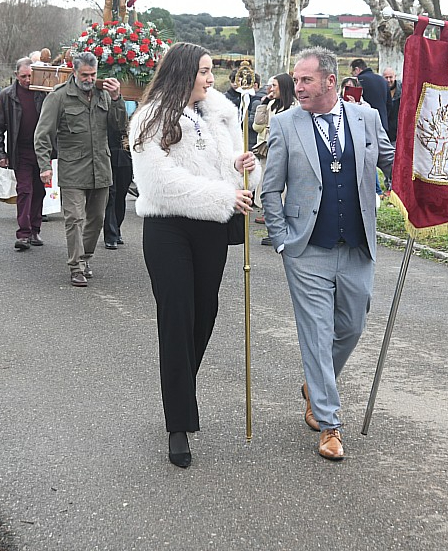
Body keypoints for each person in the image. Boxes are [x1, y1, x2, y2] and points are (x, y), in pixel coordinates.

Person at [260, 47, 394, 462]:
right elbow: (269, 189)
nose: (296, 87)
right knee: (316, 335)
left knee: (351, 327)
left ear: (330, 81)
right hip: (306, 250)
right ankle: (329, 423)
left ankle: (315, 385)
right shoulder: (284, 124)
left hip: (357, 246)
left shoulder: (366, 118)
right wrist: (283, 241)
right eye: (295, 80)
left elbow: (393, 161)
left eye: (305, 80)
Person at [129, 42, 255, 468]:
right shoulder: (148, 117)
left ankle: (179, 388)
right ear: (183, 73)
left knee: (204, 316)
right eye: (203, 71)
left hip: (212, 229)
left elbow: (228, 171)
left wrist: (245, 167)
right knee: (176, 317)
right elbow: (159, 183)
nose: (210, 78)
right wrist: (224, 195)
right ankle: (178, 424)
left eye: (210, 70)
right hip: (168, 227)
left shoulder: (222, 113)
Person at [34, 50, 127, 285]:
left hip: (101, 169)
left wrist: (117, 99)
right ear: (74, 72)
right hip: (73, 169)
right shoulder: (59, 97)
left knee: (96, 218)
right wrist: (45, 166)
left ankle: (85, 258)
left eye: (92, 74)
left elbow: (118, 127)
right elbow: (43, 134)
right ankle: (75, 266)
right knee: (74, 218)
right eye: (84, 74)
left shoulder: (103, 95)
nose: (89, 79)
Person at [0, 58, 48, 251]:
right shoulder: (6, 96)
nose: (27, 80)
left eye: (30, 75)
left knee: (40, 190)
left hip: (42, 152)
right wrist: (0, 154)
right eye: (23, 76)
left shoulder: (44, 93)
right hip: (20, 151)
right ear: (16, 76)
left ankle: (35, 229)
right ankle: (23, 233)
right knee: (24, 190)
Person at [252, 72, 295, 245]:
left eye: (274, 86)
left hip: (286, 152)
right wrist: (262, 106)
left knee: (283, 190)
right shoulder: (271, 105)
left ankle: (283, 230)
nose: (271, 89)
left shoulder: (294, 106)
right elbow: (256, 126)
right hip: (267, 150)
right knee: (267, 186)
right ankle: (273, 229)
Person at [103, 103, 133, 250]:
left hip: (126, 155)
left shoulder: (136, 104)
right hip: (109, 152)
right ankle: (111, 234)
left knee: (121, 195)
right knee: (111, 195)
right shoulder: (106, 103)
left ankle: (117, 227)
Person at [349, 58, 391, 136]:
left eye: (352, 72)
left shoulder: (358, 80)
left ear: (357, 69)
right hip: (383, 125)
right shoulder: (382, 80)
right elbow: (389, 104)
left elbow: (353, 104)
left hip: (366, 127)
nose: (352, 75)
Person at [382, 67, 402, 145]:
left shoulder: (403, 90)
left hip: (397, 133)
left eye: (390, 77)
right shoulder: (380, 90)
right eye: (386, 77)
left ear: (395, 77)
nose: (388, 80)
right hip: (384, 133)